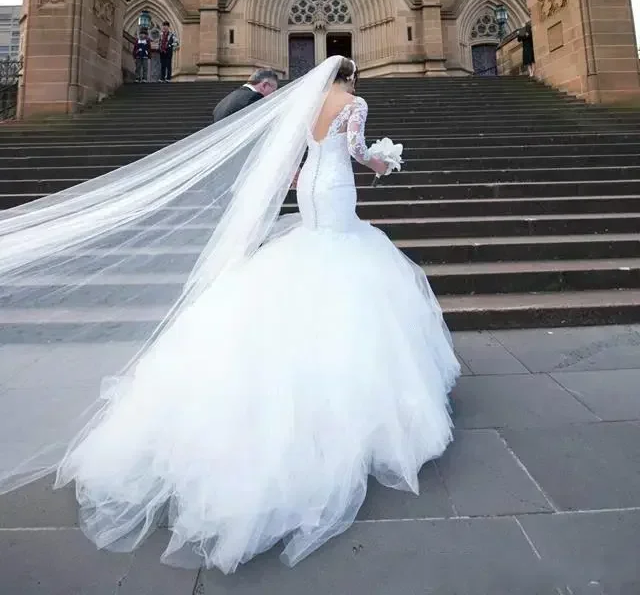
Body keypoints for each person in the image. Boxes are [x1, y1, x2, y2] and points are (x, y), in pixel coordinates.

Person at [0, 56, 458, 574]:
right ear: (350, 78)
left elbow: (298, 152)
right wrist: (381, 162)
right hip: (333, 187)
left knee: (310, 246)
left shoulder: (306, 103)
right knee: (346, 254)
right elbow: (353, 150)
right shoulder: (354, 102)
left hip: (308, 185)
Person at [212, 68, 278, 121]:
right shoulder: (254, 98)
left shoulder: (223, 102)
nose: (273, 95)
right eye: (273, 91)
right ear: (264, 85)